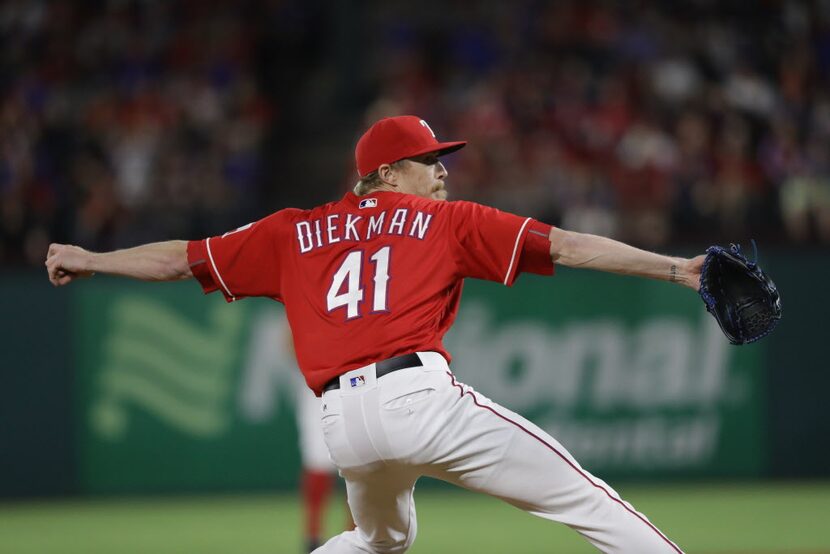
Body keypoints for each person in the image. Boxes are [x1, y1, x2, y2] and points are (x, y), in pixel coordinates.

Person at [47, 115, 703, 553]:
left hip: (344, 424)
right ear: (387, 174)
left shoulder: (292, 230)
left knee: (378, 540)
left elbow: (180, 257)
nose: (442, 172)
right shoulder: (445, 223)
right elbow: (566, 245)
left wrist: (93, 259)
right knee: (584, 497)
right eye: (427, 161)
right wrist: (675, 269)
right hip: (418, 401)